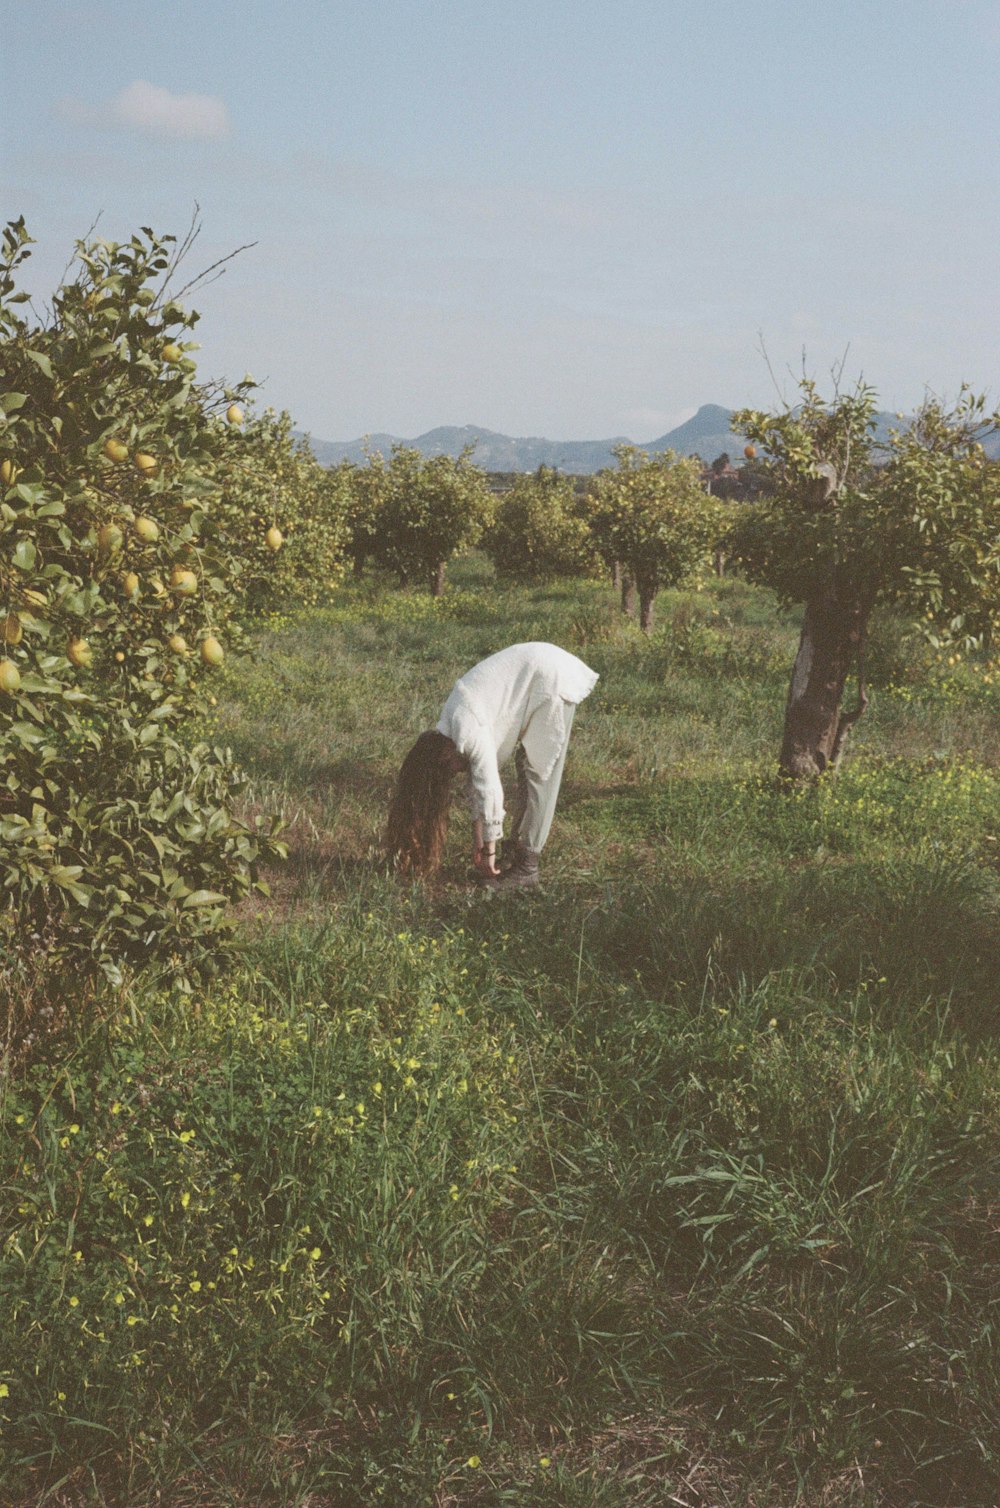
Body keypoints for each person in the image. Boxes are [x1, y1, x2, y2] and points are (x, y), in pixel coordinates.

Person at [386, 641, 598, 889]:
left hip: (551, 677)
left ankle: (527, 867)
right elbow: (476, 786)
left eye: (450, 772)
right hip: (538, 670)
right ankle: (516, 852)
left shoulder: (467, 729)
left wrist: (489, 854)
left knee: (541, 772)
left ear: (443, 759)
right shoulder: (450, 728)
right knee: (528, 765)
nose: (457, 774)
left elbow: (489, 791)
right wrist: (480, 843)